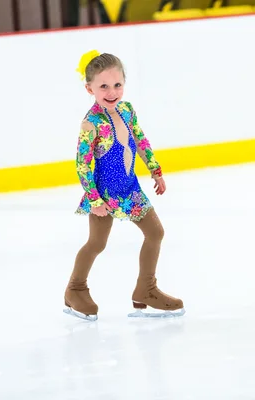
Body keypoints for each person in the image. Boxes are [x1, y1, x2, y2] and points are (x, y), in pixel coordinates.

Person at [64, 50, 184, 321]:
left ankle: (146, 289)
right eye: (103, 86)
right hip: (105, 194)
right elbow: (82, 165)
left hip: (130, 189)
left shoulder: (127, 110)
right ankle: (75, 289)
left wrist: (155, 169)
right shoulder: (91, 123)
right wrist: (94, 200)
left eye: (117, 85)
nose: (111, 91)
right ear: (89, 88)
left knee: (155, 233)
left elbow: (140, 140)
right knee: (97, 244)